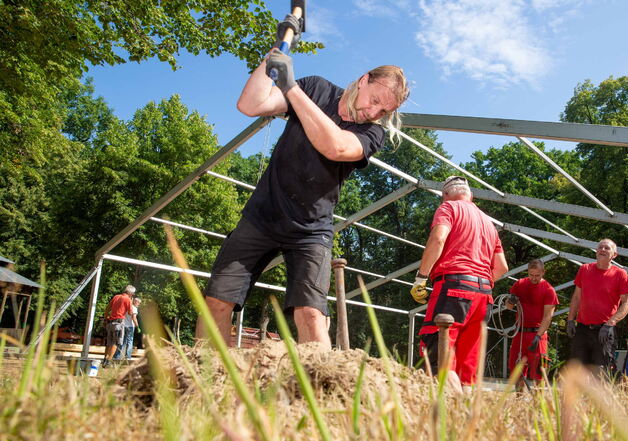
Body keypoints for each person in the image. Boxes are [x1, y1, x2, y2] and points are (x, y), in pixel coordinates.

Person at [197, 15, 409, 347]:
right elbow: (250, 104)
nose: (374, 112)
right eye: (376, 100)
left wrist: (290, 86)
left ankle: (320, 392)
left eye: (384, 111)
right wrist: (274, 56)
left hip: (311, 230)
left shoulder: (372, 134)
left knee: (310, 314)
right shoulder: (316, 88)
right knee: (216, 302)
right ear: (364, 80)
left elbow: (336, 146)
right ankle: (206, 385)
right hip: (261, 218)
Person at [411, 176, 508, 393]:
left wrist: (421, 277)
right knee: (468, 365)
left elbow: (438, 239)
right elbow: (501, 268)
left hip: (453, 288)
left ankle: (443, 413)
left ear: (444, 195)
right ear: (471, 195)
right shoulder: (488, 222)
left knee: (439, 354)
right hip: (484, 295)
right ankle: (466, 415)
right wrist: (479, 281)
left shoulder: (448, 208)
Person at [566, 239, 628, 374]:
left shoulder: (620, 274)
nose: (602, 250)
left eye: (607, 248)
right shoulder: (585, 269)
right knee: (577, 369)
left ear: (614, 255)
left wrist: (610, 324)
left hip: (604, 330)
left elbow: (627, 303)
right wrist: (570, 320)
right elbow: (577, 297)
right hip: (583, 329)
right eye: (600, 247)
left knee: (601, 371)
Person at [505, 259, 559, 383]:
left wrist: (538, 336)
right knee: (516, 371)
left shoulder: (548, 290)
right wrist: (510, 301)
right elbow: (508, 306)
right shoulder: (519, 284)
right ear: (528, 272)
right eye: (531, 275)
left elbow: (547, 317)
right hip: (520, 333)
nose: (534, 278)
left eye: (537, 275)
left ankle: (538, 401)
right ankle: (519, 399)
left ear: (543, 272)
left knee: (539, 372)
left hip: (537, 334)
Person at [102, 285, 134, 367]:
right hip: (118, 323)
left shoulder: (116, 296)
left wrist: (105, 319)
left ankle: (105, 359)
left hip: (110, 323)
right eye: (133, 294)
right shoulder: (128, 299)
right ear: (130, 293)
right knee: (115, 343)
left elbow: (107, 308)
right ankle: (108, 361)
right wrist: (131, 304)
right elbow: (130, 313)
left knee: (109, 342)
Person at [114, 296, 141, 360]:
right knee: (130, 341)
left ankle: (117, 356)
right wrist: (137, 326)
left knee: (121, 340)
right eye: (139, 303)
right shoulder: (134, 308)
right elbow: (134, 318)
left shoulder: (127, 306)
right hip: (130, 326)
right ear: (136, 302)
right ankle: (128, 357)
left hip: (123, 325)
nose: (139, 304)